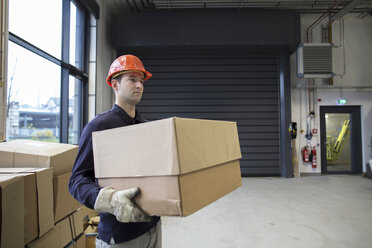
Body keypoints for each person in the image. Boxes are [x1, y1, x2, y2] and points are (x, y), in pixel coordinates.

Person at [69, 55, 161, 248]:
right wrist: (110, 199)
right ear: (114, 84)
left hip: (153, 228)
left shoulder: (146, 126)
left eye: (142, 81)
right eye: (132, 79)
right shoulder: (99, 126)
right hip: (120, 236)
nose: (139, 86)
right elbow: (77, 181)